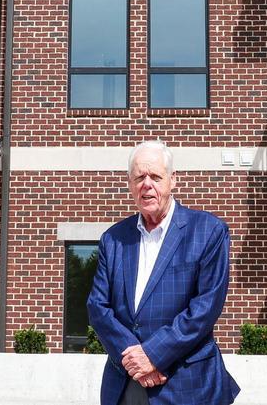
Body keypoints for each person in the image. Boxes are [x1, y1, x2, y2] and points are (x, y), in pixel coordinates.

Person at [88, 140, 240, 405]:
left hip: (188, 384)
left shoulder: (208, 231)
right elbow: (98, 307)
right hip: (126, 384)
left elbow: (204, 309)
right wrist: (135, 359)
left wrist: (153, 355)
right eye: (139, 177)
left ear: (173, 180)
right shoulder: (112, 239)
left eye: (155, 176)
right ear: (129, 184)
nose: (147, 184)